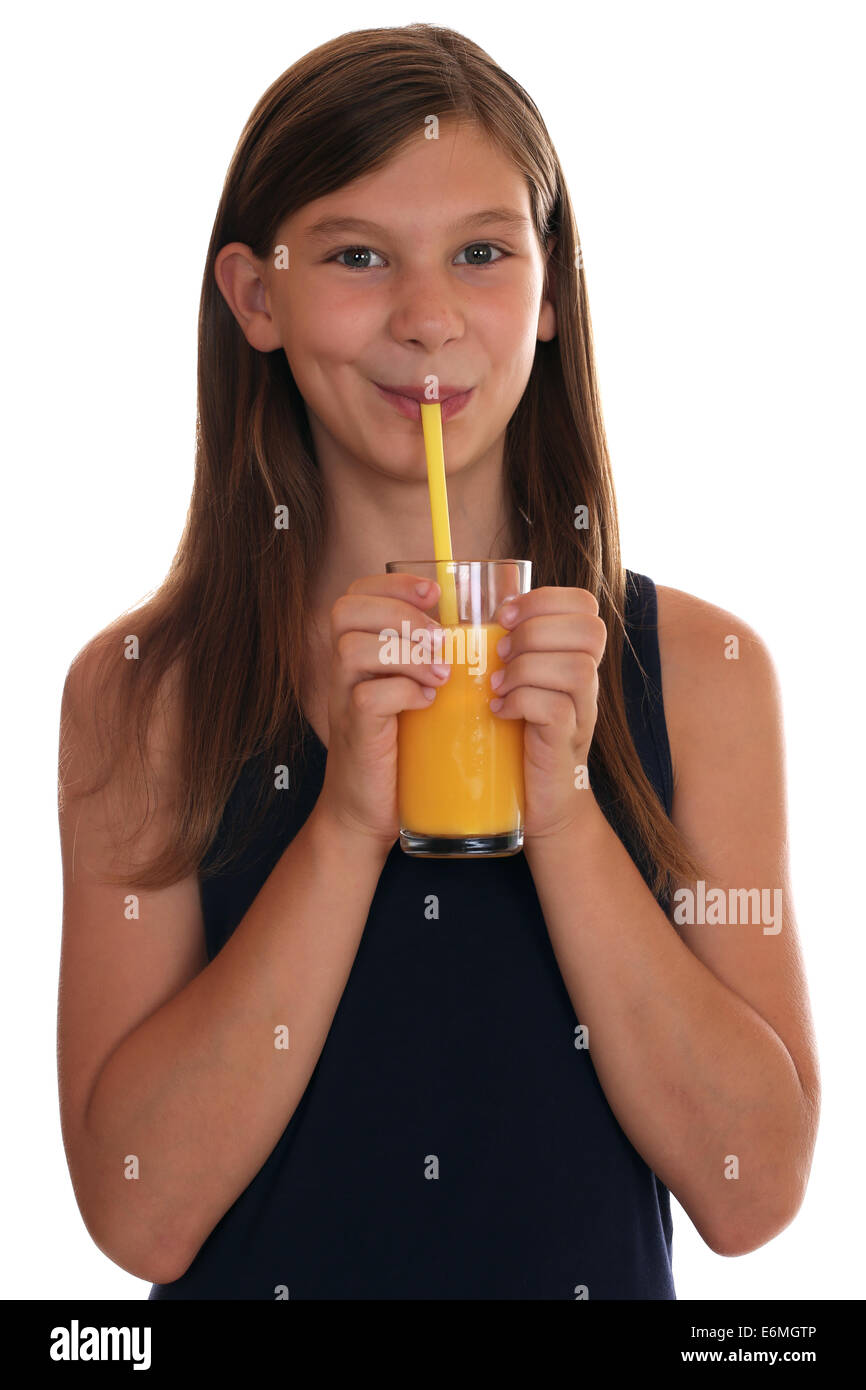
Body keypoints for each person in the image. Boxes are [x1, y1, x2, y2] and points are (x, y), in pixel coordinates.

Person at [56, 23, 820, 1300]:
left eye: (480, 252)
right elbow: (138, 1216)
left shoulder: (701, 669)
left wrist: (563, 805)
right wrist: (349, 819)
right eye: (357, 256)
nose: (426, 318)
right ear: (255, 296)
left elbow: (750, 1193)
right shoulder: (146, 690)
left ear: (550, 286)